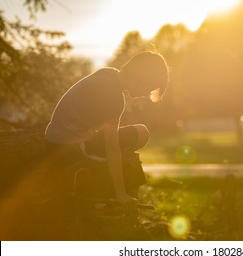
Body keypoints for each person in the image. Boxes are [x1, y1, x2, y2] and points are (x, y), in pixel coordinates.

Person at [44, 51, 169, 206]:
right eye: (148, 88)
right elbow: (112, 147)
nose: (146, 94)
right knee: (141, 133)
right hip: (69, 149)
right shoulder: (114, 98)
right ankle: (105, 183)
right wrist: (121, 194)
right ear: (138, 76)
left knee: (141, 132)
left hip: (55, 139)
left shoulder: (108, 74)